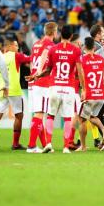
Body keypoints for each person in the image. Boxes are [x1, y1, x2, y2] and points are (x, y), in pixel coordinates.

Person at [26, 25, 85, 154]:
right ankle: (65, 147)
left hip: (53, 86)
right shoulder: (75, 50)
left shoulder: (51, 48)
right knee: (68, 118)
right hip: (68, 88)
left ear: (60, 35)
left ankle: (47, 143)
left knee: (50, 116)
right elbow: (80, 71)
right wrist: (84, 88)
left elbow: (47, 68)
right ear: (70, 36)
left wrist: (36, 75)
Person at [26, 22, 56, 153]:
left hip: (33, 82)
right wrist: (38, 73)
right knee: (39, 114)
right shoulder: (49, 45)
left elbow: (32, 61)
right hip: (42, 81)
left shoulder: (36, 43)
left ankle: (45, 145)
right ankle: (31, 146)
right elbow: (44, 56)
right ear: (55, 32)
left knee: (38, 113)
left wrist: (34, 74)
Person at [0, 38, 31, 150]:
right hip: (14, 90)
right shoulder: (16, 55)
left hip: (1, 89)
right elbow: (31, 58)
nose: (18, 48)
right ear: (10, 46)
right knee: (19, 116)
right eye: (16, 45)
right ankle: (15, 144)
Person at [76, 37, 104, 152]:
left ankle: (83, 146)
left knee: (82, 119)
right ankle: (103, 129)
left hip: (89, 94)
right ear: (94, 47)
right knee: (92, 116)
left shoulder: (82, 59)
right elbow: (103, 76)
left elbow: (79, 75)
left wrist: (83, 90)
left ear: (84, 47)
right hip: (101, 94)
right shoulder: (101, 59)